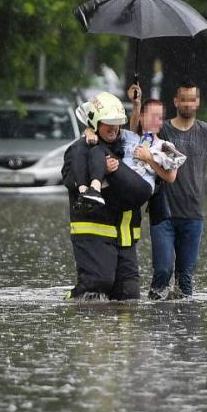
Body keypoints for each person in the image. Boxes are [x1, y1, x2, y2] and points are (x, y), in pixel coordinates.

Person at [60, 92, 162, 301]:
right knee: (97, 286)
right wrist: (99, 173)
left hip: (125, 237)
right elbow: (69, 180)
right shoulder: (79, 151)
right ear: (95, 123)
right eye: (109, 123)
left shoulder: (125, 147)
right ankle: (74, 305)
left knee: (129, 296)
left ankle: (121, 336)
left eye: (118, 123)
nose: (114, 128)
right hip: (93, 235)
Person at [149, 82, 207, 300]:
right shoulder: (162, 130)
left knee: (185, 278)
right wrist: (136, 101)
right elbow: (135, 134)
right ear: (175, 101)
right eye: (184, 99)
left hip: (193, 215)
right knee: (163, 271)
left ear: (198, 102)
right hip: (162, 214)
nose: (188, 103)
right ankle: (154, 324)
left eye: (192, 99)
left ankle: (186, 328)